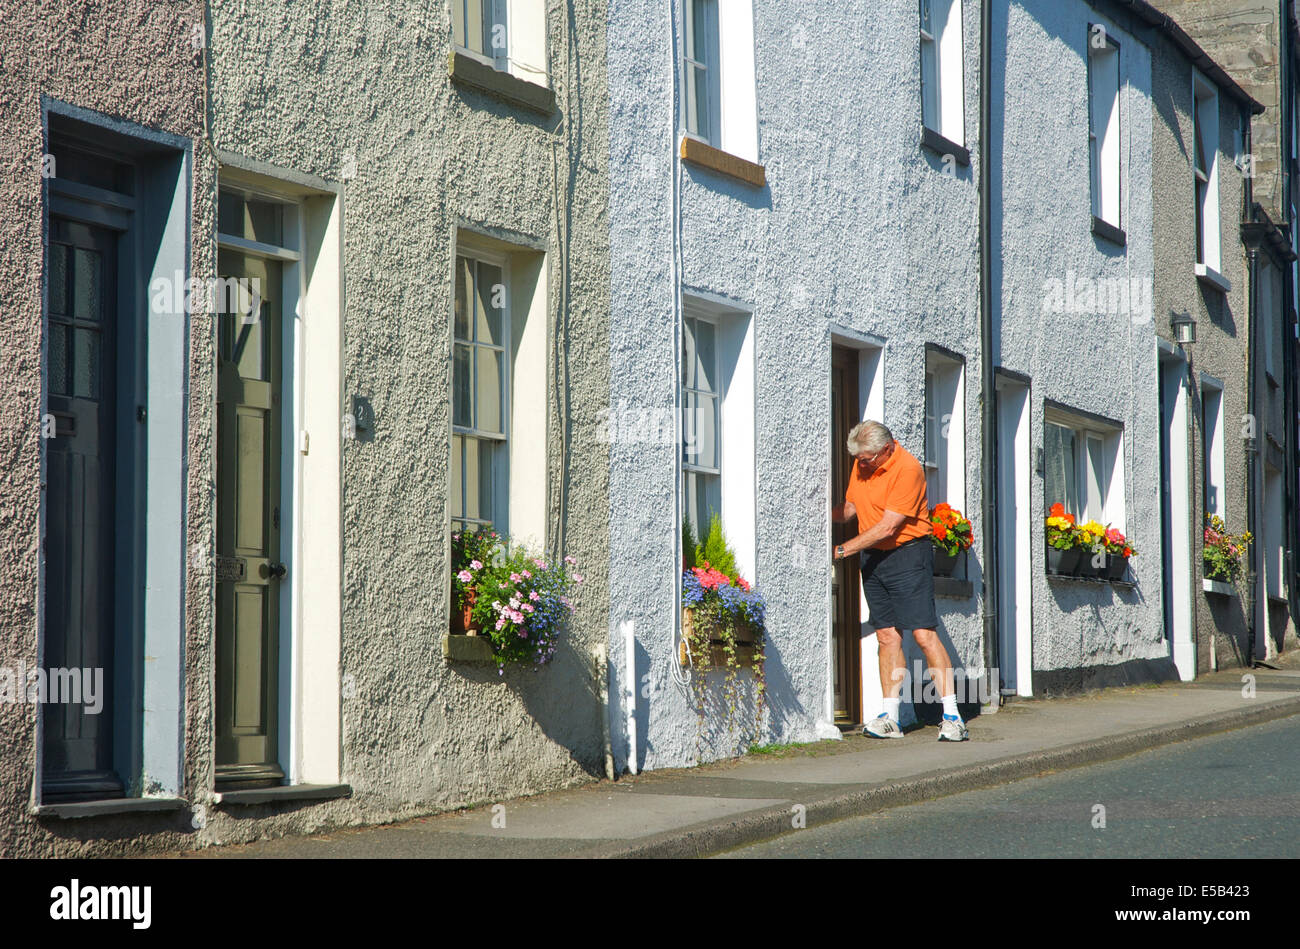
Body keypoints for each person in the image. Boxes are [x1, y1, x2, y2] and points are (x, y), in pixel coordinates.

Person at [831, 420, 968, 741]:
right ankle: (891, 718)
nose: (860, 465)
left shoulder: (908, 469)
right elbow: (851, 508)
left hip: (908, 554)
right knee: (887, 636)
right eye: (857, 459)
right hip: (873, 556)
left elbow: (888, 527)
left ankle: (953, 717)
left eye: (866, 459)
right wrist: (818, 516)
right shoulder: (863, 464)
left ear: (887, 450)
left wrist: (842, 549)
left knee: (923, 634)